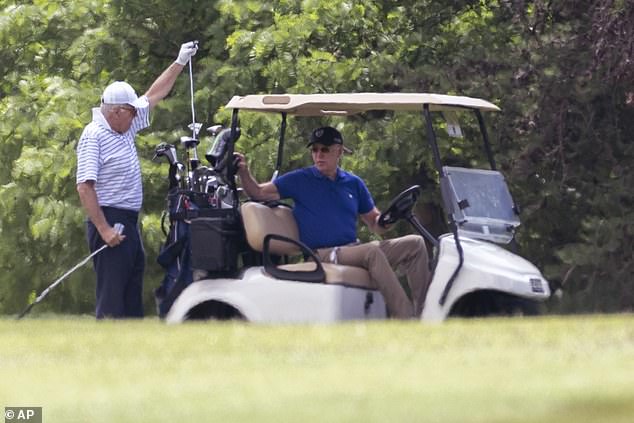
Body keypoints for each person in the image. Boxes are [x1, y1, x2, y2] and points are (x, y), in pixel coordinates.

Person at [235, 126, 430, 318]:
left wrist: (389, 219)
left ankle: (424, 314)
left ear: (339, 151)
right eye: (315, 150)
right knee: (371, 252)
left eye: (325, 149)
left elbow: (375, 224)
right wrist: (244, 171)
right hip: (322, 254)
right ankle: (405, 317)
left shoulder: (353, 183)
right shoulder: (300, 179)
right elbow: (258, 192)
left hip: (351, 249)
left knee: (415, 244)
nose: (319, 155)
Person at [76, 41, 199, 319]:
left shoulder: (124, 127)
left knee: (132, 287)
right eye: (132, 112)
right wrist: (104, 229)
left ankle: (130, 349)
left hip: (128, 220)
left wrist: (180, 60)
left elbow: (154, 95)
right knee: (112, 294)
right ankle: (106, 351)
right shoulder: (94, 135)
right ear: (116, 111)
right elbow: (85, 186)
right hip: (108, 219)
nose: (137, 116)